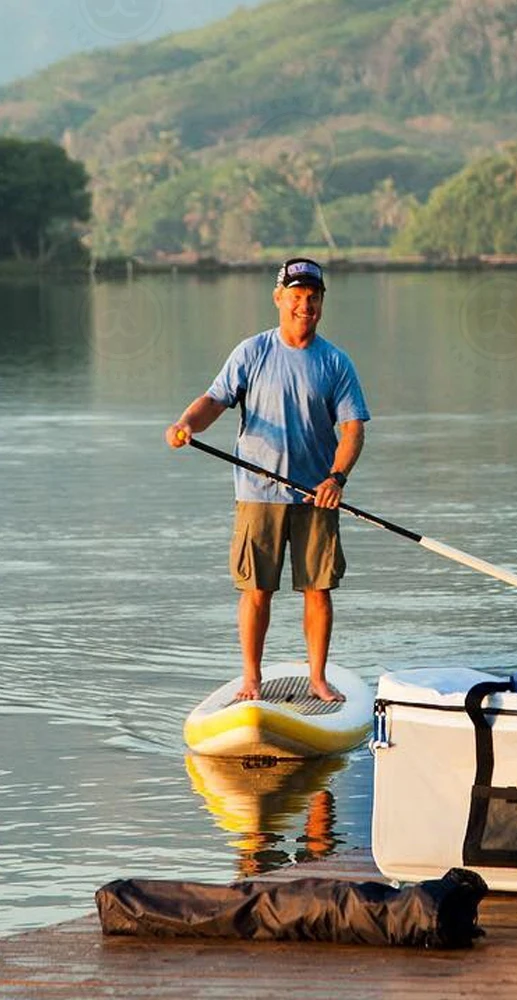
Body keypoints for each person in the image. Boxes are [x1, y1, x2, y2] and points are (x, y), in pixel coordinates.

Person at [166, 258, 370, 703]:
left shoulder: (335, 362)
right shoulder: (252, 352)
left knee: (318, 589)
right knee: (256, 590)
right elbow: (214, 401)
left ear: (321, 303)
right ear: (279, 298)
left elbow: (353, 429)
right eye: (296, 297)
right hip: (257, 495)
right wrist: (186, 424)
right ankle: (252, 681)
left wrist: (336, 478)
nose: (305, 305)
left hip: (317, 497)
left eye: (313, 298)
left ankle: (317, 679)